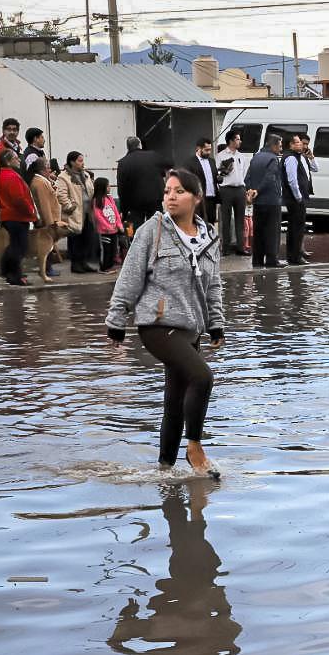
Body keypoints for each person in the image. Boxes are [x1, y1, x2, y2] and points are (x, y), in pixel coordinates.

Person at [106, 168, 225, 479]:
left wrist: (216, 323)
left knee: (174, 404)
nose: (171, 197)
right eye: (167, 191)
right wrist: (117, 319)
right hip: (157, 326)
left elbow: (213, 285)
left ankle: (165, 472)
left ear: (197, 198)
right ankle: (195, 447)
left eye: (179, 191)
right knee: (203, 376)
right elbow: (130, 276)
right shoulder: (153, 230)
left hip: (190, 328)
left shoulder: (210, 237)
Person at [0, 148, 37, 286]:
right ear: (8, 161)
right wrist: (31, 211)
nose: (19, 160)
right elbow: (19, 198)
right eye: (16, 158)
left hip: (9, 216)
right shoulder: (11, 176)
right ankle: (15, 275)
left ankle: (7, 270)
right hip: (17, 216)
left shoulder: (3, 174)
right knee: (19, 247)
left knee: (13, 245)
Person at [245, 134, 285, 267]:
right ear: (273, 145)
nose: (281, 148)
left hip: (258, 202)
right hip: (271, 200)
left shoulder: (256, 156)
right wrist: (259, 190)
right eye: (279, 146)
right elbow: (270, 178)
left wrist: (251, 190)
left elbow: (248, 177)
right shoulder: (273, 159)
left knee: (259, 231)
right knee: (272, 232)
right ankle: (271, 260)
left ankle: (257, 260)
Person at [55, 151, 96, 274]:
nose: (82, 163)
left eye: (82, 160)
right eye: (80, 160)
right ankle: (76, 264)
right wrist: (69, 206)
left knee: (87, 238)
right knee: (76, 239)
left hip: (87, 211)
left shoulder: (86, 175)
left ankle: (84, 262)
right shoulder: (64, 177)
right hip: (75, 213)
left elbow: (91, 190)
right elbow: (61, 194)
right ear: (72, 162)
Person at [117, 136, 170, 226]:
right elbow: (167, 166)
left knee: (138, 229)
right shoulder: (152, 156)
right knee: (156, 227)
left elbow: (122, 187)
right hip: (155, 199)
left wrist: (123, 210)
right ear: (139, 145)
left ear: (128, 147)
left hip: (134, 203)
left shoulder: (123, 162)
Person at [29, 157, 65, 278]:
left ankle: (47, 268)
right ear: (43, 169)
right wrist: (50, 224)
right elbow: (45, 205)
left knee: (48, 247)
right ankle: (46, 269)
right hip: (48, 221)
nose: (50, 169)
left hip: (50, 219)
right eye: (48, 167)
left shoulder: (43, 181)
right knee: (46, 247)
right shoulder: (40, 183)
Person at [215, 131, 249, 256]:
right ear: (231, 141)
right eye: (238, 139)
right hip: (226, 190)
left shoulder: (241, 156)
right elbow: (217, 175)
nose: (240, 141)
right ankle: (226, 247)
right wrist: (224, 172)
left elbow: (244, 172)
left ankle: (241, 247)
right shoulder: (220, 156)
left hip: (240, 189)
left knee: (240, 219)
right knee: (226, 219)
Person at [282, 133, 314, 264]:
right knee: (296, 227)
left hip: (298, 197)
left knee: (298, 227)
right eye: (297, 142)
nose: (300, 144)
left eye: (300, 142)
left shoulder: (300, 157)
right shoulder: (291, 158)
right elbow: (292, 180)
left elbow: (315, 168)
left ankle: (295, 254)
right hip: (295, 199)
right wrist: (298, 196)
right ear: (290, 145)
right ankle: (294, 257)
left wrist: (312, 157)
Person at [183, 138, 220, 226]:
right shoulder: (190, 162)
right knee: (199, 223)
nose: (209, 152)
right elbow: (187, 181)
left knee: (211, 223)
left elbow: (214, 177)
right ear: (198, 148)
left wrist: (220, 177)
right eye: (206, 150)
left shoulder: (212, 161)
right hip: (199, 199)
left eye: (210, 149)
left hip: (212, 198)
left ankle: (210, 239)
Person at [93, 177, 126, 270]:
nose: (110, 187)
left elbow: (116, 212)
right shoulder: (97, 200)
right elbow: (98, 216)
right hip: (104, 231)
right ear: (102, 187)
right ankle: (104, 267)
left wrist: (119, 225)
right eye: (108, 186)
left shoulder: (110, 198)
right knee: (106, 249)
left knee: (113, 249)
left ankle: (110, 265)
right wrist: (107, 226)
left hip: (114, 230)